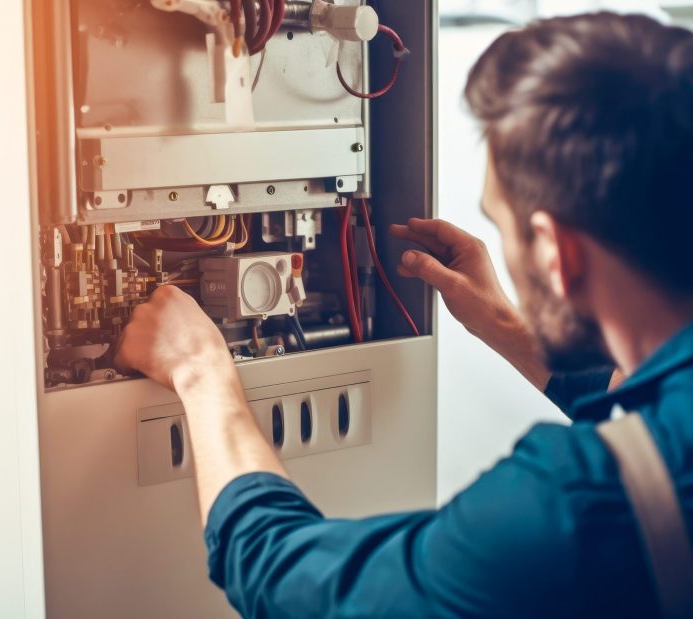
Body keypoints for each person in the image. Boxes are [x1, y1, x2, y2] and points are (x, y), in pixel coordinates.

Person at [115, 11, 693, 618]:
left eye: (505, 228)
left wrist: (205, 376)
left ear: (555, 253)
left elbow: (300, 588)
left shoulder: (569, 511)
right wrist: (504, 325)